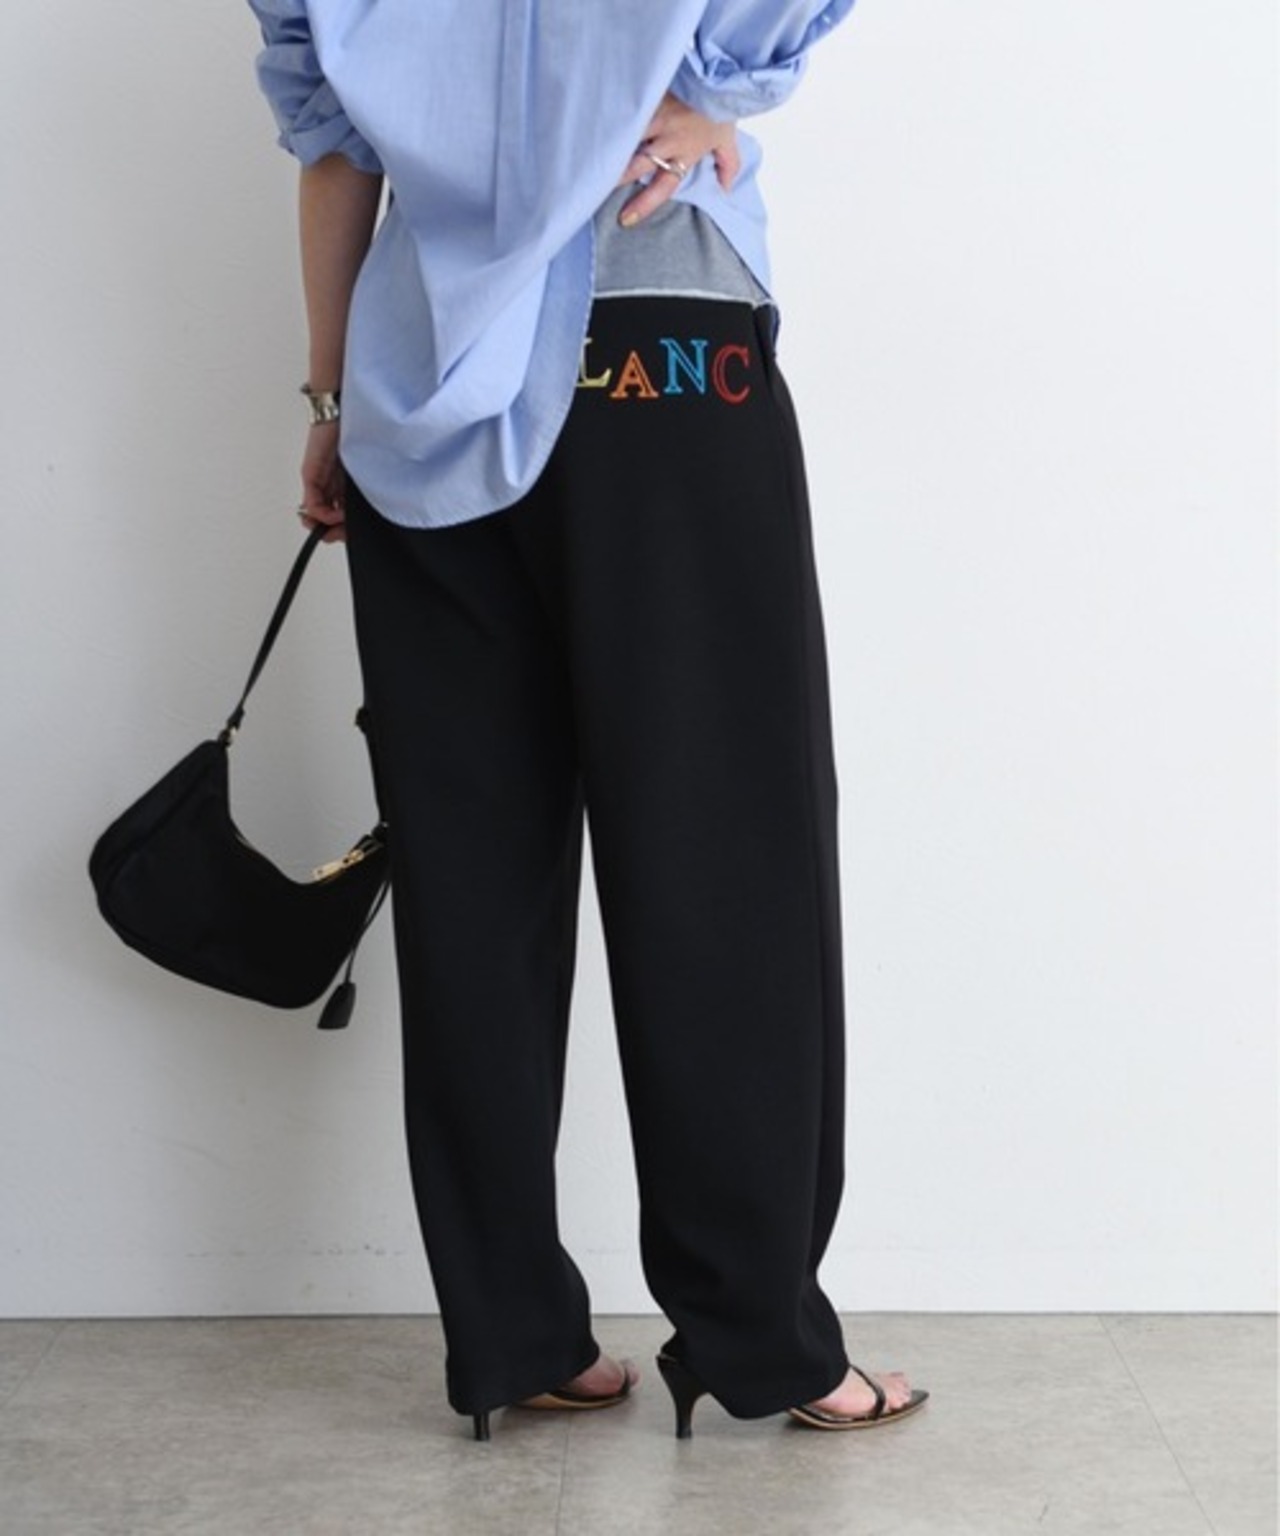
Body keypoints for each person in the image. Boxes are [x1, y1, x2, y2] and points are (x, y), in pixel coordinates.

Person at [246, 0, 927, 1441]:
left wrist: (332, 397)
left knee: (472, 880)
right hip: (661, 350)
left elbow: (332, 144)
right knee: (724, 858)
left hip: (422, 389)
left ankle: (510, 1336)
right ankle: (759, 1336)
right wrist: (722, 93)